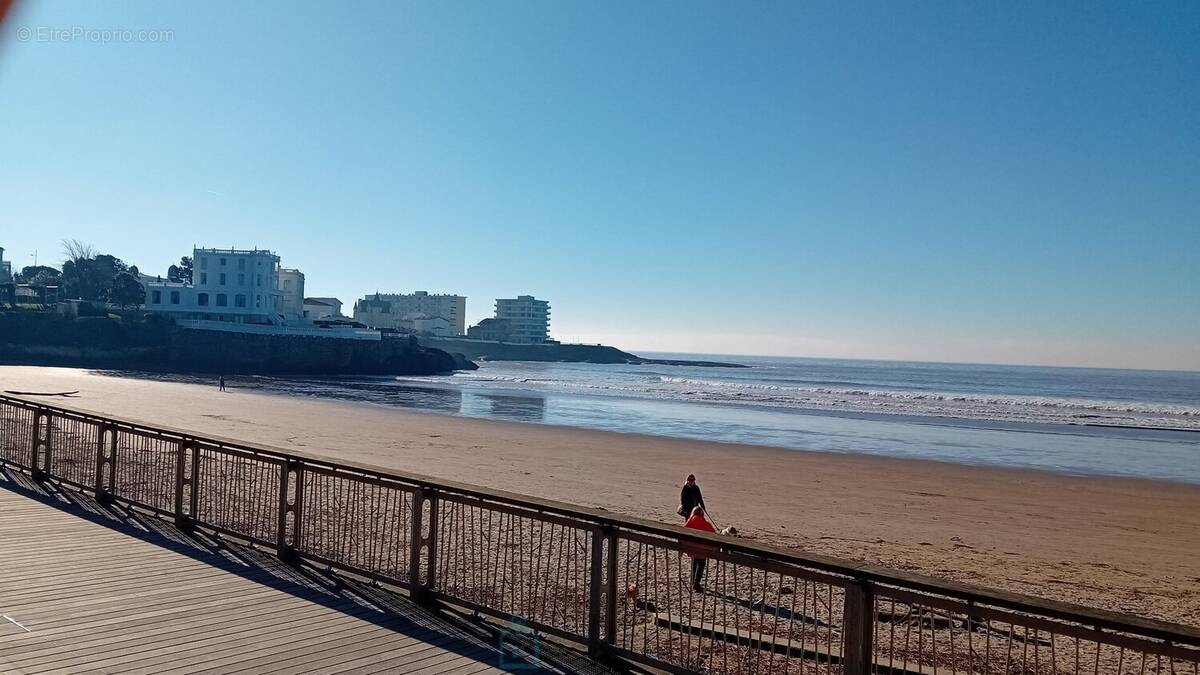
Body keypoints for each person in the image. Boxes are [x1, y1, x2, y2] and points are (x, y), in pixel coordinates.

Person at [684, 505, 716, 592]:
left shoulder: (689, 522)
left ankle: (693, 581)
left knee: (695, 562)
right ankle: (696, 583)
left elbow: (684, 532)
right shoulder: (706, 524)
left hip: (692, 549)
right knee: (701, 565)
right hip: (703, 550)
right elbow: (713, 535)